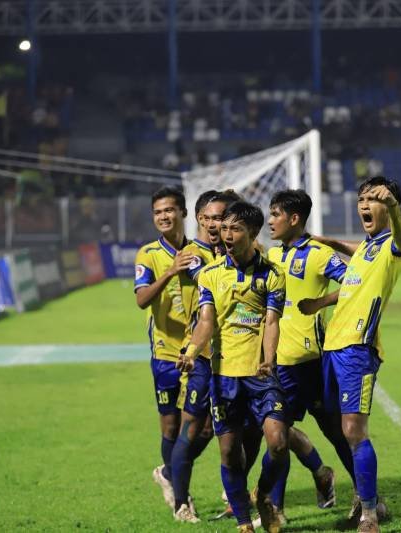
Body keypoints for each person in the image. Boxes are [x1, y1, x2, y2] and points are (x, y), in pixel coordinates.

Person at [178, 200, 289, 533]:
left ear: (252, 232)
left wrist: (269, 357)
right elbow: (206, 321)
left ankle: (264, 495)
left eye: (235, 229)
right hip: (224, 376)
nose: (226, 234)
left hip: (260, 375)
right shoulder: (211, 275)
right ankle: (244, 524)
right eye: (224, 228)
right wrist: (192, 350)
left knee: (278, 442)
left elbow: (272, 322)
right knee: (228, 452)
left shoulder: (273, 274)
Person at [320, 176, 401, 533]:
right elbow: (355, 252)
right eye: (361, 199)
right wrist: (327, 242)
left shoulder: (394, 244)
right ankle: (368, 497)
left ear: (388, 206)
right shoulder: (366, 248)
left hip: (358, 348)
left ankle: (370, 515)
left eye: (372, 199)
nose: (364, 205)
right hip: (332, 346)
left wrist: (393, 206)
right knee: (338, 428)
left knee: (354, 430)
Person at [261, 189, 354, 524]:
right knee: (277, 437)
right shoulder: (272, 255)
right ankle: (276, 509)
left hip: (312, 363)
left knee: (336, 432)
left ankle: (367, 497)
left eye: (275, 214)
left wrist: (320, 303)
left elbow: (355, 282)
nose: (270, 221)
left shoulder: (318, 254)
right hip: (277, 362)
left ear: (294, 218)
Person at [166, 189, 235, 522]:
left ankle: (235, 495)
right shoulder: (191, 255)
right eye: (206, 218)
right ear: (198, 220)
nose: (212, 224)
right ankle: (181, 502)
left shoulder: (235, 251)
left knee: (226, 429)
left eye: (219, 218)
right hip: (203, 355)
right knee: (192, 428)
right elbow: (211, 280)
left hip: (236, 355)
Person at [133, 187, 196, 513]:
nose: (163, 216)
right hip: (165, 355)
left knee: (197, 428)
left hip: (197, 354)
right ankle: (174, 483)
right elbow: (141, 299)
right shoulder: (148, 254)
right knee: (170, 427)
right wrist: (170, 271)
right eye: (158, 212)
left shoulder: (199, 251)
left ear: (182, 212)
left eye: (169, 210)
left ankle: (178, 486)